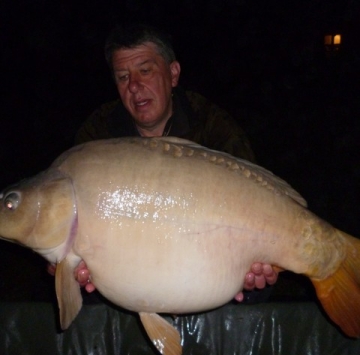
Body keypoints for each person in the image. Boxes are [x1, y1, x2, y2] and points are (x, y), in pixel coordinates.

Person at [52, 23, 278, 302]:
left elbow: (258, 203)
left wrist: (257, 265)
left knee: (258, 291)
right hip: (130, 274)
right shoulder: (97, 137)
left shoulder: (213, 126)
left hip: (207, 264)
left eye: (145, 71)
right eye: (123, 77)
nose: (134, 86)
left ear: (173, 74)